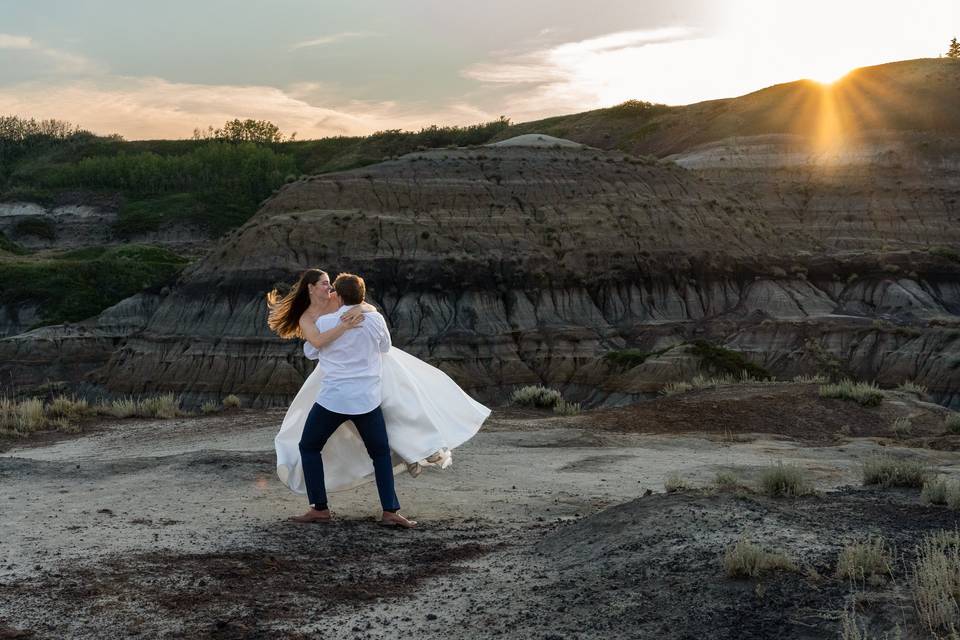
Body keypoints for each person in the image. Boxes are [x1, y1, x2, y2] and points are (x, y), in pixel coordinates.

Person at [267, 269, 490, 526]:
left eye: (331, 286)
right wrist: (356, 319)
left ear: (338, 295)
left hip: (334, 399)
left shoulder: (328, 321)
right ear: (310, 288)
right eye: (324, 284)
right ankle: (390, 511)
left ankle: (320, 508)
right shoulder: (370, 320)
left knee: (308, 446)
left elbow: (319, 344)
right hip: (366, 399)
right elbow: (383, 348)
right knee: (380, 453)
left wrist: (361, 313)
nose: (328, 290)